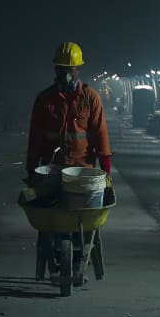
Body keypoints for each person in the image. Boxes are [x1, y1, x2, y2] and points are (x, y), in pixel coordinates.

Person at [26, 41, 112, 285]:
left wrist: (105, 174)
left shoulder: (90, 98)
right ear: (55, 69)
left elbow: (101, 135)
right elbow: (35, 137)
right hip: (52, 170)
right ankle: (56, 257)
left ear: (78, 70)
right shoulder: (45, 100)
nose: (65, 73)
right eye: (61, 68)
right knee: (55, 220)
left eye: (70, 69)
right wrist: (31, 169)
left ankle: (77, 263)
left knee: (78, 223)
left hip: (82, 172)